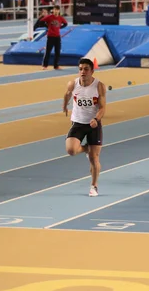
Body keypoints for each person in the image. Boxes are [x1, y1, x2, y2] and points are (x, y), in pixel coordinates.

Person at [63, 58, 107, 197]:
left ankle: (94, 186)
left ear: (92, 71)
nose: (83, 72)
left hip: (93, 124)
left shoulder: (99, 86)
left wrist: (96, 119)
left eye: (86, 69)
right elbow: (67, 94)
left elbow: (103, 107)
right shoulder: (73, 84)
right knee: (71, 150)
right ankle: (87, 148)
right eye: (81, 69)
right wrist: (65, 105)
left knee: (94, 158)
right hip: (78, 122)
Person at [39, 5, 68, 70]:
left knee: (57, 51)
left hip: (57, 37)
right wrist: (47, 26)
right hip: (50, 36)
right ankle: (45, 65)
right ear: (53, 10)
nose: (56, 11)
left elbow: (65, 23)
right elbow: (41, 21)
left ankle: (56, 65)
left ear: (59, 11)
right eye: (55, 10)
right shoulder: (49, 17)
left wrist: (60, 27)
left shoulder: (60, 18)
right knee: (48, 51)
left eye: (57, 10)